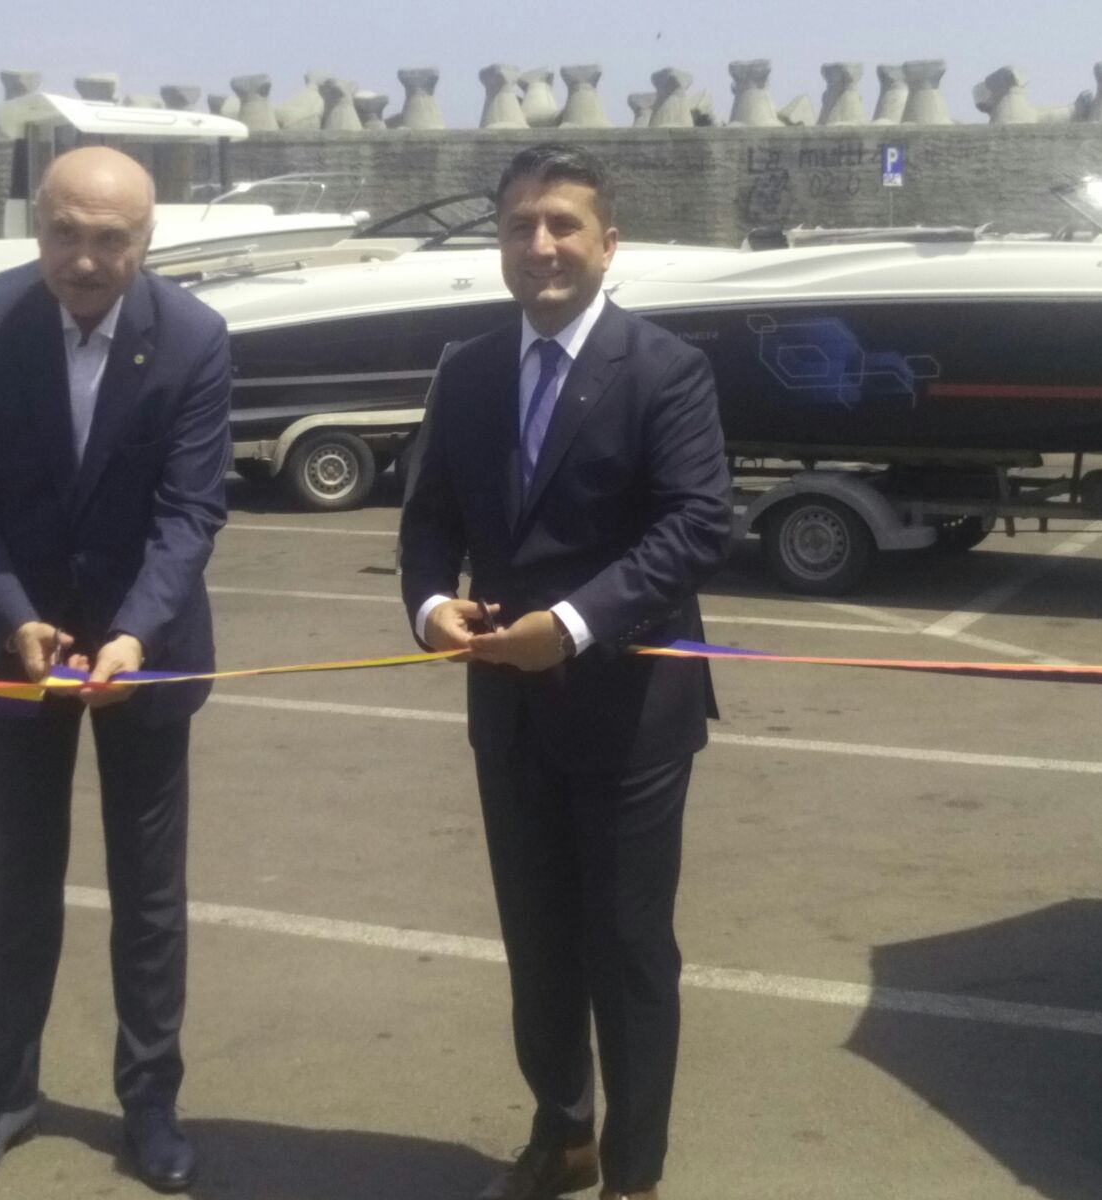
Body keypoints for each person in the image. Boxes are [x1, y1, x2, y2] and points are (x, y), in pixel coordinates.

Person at [399, 144, 734, 1200]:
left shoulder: (664, 369)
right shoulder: (466, 370)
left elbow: (696, 525)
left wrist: (578, 624)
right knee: (537, 944)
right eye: (519, 226)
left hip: (629, 715)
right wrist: (430, 606)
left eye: (562, 225)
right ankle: (564, 1133)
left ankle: (634, 1173)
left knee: (627, 952)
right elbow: (429, 518)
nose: (539, 245)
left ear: (606, 243)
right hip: (507, 713)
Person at [0, 146, 230, 1191]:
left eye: (111, 239)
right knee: (20, 884)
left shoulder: (193, 338)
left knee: (149, 896)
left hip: (146, 652)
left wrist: (135, 631)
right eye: (65, 232)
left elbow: (190, 510)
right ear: (38, 225)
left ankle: (149, 1104)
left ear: (147, 241)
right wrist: (14, 615)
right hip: (15, 647)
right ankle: (2, 1094)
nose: (85, 259)